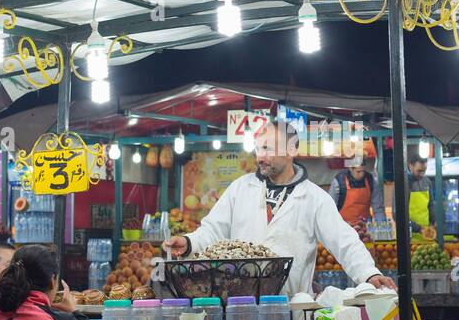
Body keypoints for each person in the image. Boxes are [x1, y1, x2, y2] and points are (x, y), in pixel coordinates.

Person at [163, 122, 395, 300]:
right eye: (258, 149)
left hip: (292, 306)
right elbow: (212, 231)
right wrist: (189, 242)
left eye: (268, 149)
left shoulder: (314, 197)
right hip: (240, 304)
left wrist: (368, 274)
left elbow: (343, 239)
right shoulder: (240, 189)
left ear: (291, 149)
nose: (260, 156)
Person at [328, 155, 385, 228]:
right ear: (350, 168)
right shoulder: (339, 182)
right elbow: (330, 209)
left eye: (363, 171)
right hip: (343, 228)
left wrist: (381, 227)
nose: (362, 174)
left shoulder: (371, 181)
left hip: (365, 228)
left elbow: (378, 208)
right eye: (358, 171)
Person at [406, 156, 436, 234]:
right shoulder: (403, 183)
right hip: (408, 232)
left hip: (426, 230)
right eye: (419, 171)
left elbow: (431, 205)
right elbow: (397, 213)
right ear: (410, 167)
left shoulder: (427, 182)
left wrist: (434, 220)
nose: (422, 174)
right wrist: (417, 227)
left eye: (424, 171)